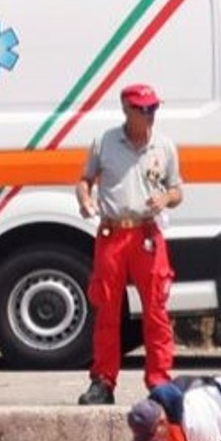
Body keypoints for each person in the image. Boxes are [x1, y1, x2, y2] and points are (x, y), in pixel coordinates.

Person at [74, 82, 182, 406]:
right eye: (143, 109)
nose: (150, 116)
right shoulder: (105, 142)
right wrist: (84, 199)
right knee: (107, 309)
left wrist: (165, 198)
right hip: (113, 233)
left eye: (153, 109)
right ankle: (103, 381)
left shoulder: (164, 146)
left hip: (147, 233)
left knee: (156, 311)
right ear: (126, 109)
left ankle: (160, 380)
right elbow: (84, 180)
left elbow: (177, 190)